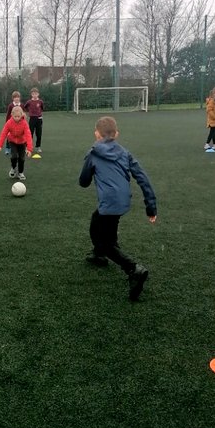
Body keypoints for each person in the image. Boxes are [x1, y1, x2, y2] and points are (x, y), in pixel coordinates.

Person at [78, 115, 157, 302]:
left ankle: (133, 269)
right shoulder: (125, 153)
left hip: (109, 202)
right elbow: (143, 179)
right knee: (97, 221)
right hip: (123, 201)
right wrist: (151, 207)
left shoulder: (93, 153)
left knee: (106, 241)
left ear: (97, 134)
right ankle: (98, 254)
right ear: (116, 134)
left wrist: (89, 174)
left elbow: (83, 182)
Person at [0, 105, 34, 181]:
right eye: (15, 116)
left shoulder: (24, 123)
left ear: (21, 115)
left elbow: (28, 135)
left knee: (22, 158)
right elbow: (3, 133)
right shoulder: (9, 123)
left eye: (18, 116)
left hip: (22, 142)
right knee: (14, 156)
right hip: (12, 141)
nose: (17, 118)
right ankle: (13, 168)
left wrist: (29, 149)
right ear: (12, 115)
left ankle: (20, 173)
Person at [25, 87, 44, 156]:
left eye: (36, 94)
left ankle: (38, 147)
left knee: (39, 134)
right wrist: (30, 113)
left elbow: (42, 108)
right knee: (30, 133)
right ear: (31, 94)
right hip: (32, 119)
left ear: (38, 94)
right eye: (33, 94)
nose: (34, 95)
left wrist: (39, 114)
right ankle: (28, 147)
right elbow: (25, 107)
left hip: (39, 119)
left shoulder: (40, 102)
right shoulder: (29, 102)